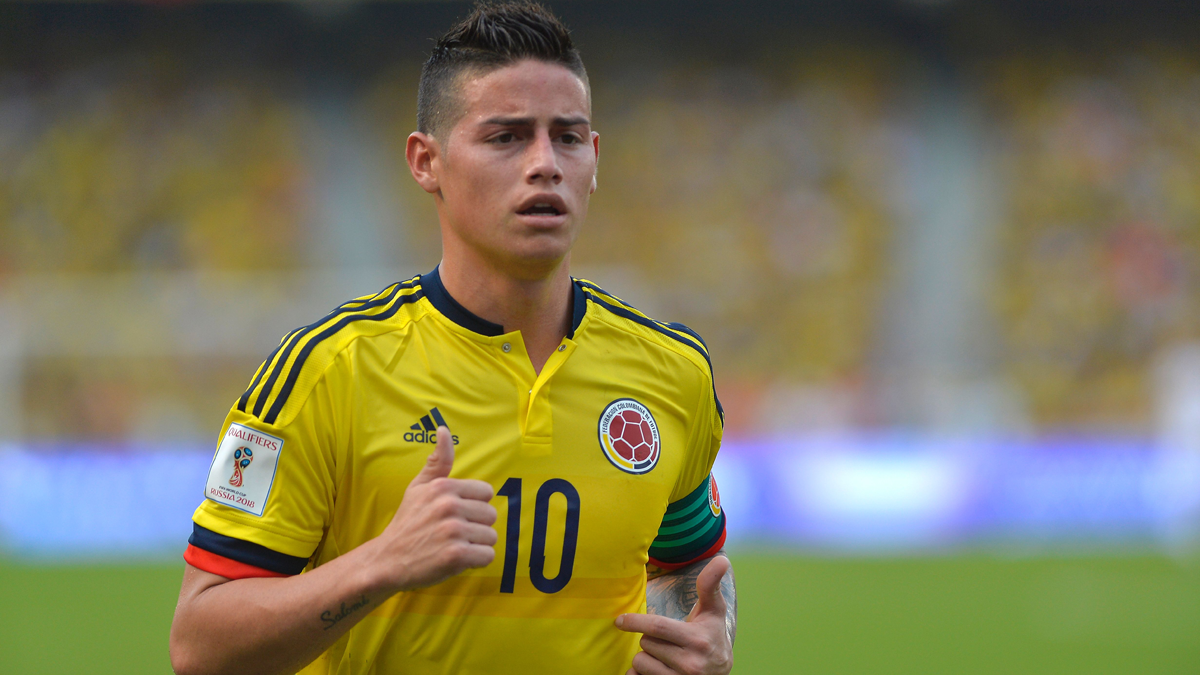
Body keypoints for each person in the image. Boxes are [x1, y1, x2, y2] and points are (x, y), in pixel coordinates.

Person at [168, 3, 735, 674]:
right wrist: (382, 561)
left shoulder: (673, 371)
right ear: (425, 161)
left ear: (595, 157)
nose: (545, 163)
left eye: (568, 137)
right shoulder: (326, 370)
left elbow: (689, 566)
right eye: (507, 137)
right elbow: (199, 646)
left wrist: (703, 632)